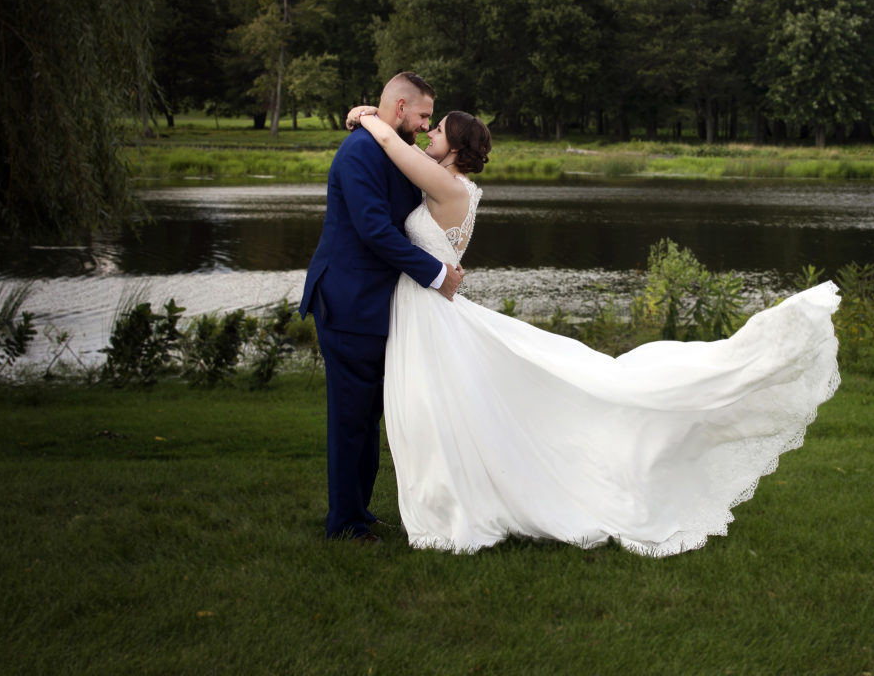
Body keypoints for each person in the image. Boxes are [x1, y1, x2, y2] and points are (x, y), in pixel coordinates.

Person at [348, 103, 841, 556]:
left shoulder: (447, 186)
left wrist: (365, 114)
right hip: (428, 308)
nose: (428, 133)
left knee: (434, 411)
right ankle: (446, 502)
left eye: (437, 129)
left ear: (454, 148)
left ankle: (450, 512)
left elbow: (393, 146)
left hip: (431, 314)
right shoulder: (450, 182)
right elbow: (403, 159)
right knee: (436, 412)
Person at [299, 72, 465, 542]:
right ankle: (345, 522)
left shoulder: (391, 147)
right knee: (351, 416)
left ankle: (359, 510)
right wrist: (436, 275)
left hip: (375, 303)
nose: (426, 124)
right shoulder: (359, 154)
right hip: (347, 301)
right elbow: (374, 230)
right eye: (424, 115)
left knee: (369, 412)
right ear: (399, 108)